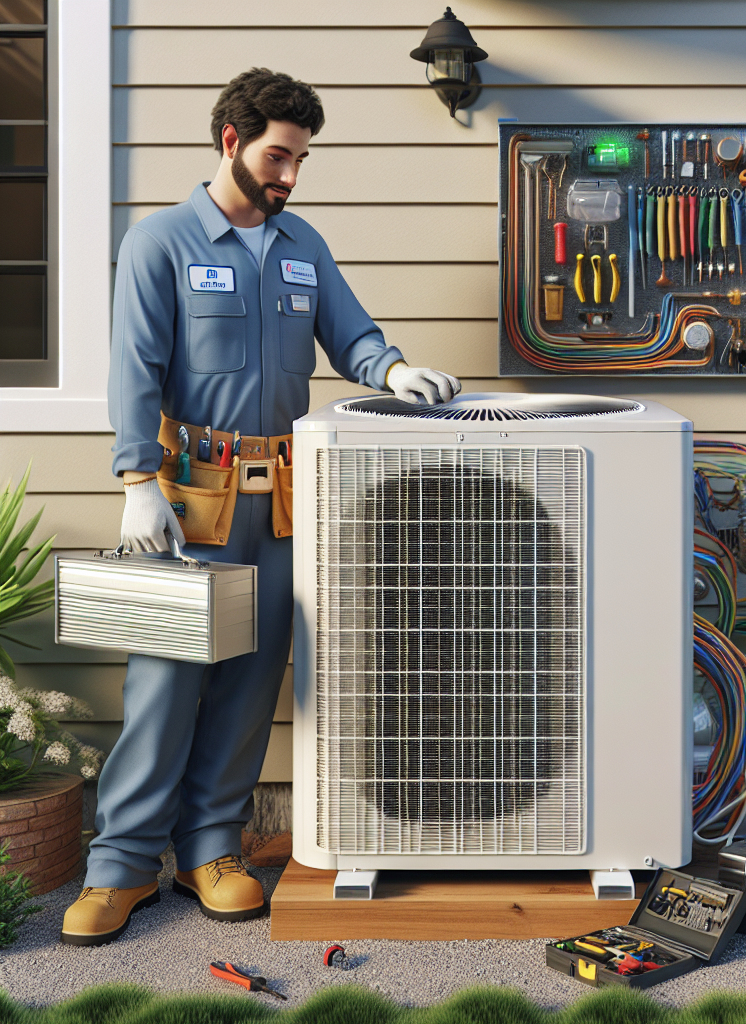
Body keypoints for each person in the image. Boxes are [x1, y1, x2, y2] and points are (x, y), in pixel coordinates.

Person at [60, 68, 460, 945]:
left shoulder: (301, 245)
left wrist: (390, 369)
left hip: (279, 501)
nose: (289, 175)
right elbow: (133, 370)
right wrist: (136, 483)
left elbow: (348, 333)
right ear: (232, 141)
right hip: (185, 501)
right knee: (165, 686)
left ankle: (211, 848)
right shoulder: (160, 242)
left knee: (248, 684)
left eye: (301, 159)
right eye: (279, 154)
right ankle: (121, 865)